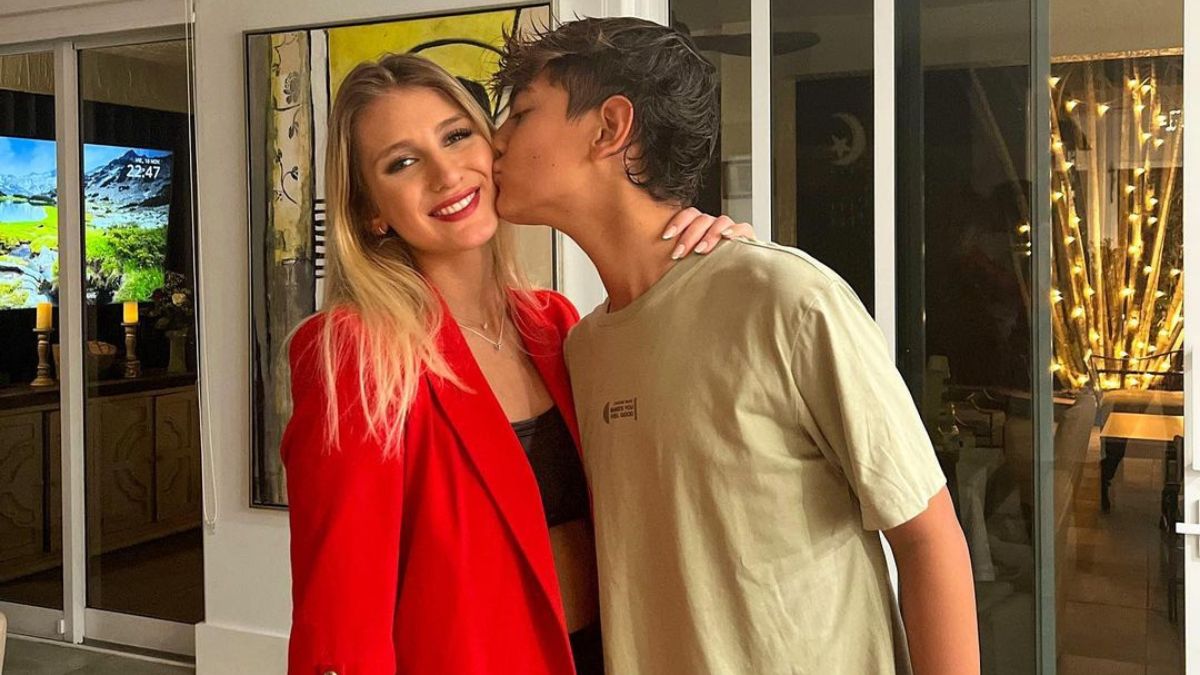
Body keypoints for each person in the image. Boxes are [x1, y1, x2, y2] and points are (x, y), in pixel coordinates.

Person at [492, 17, 981, 675]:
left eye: (522, 113)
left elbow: (927, 539)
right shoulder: (582, 349)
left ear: (609, 127)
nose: (497, 140)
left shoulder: (784, 299)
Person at [281, 53, 749, 675]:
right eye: (402, 162)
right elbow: (340, 615)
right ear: (372, 211)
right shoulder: (354, 349)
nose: (446, 173)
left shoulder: (554, 325)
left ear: (492, 148)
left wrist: (712, 261)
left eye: (456, 136)